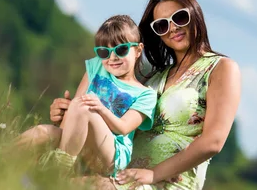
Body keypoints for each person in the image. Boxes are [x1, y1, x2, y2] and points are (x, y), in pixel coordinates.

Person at [50, 0, 241, 190]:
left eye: (179, 17)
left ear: (195, 13)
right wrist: (71, 112)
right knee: (47, 145)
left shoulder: (221, 68)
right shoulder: (155, 76)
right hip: (120, 170)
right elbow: (112, 118)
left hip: (165, 188)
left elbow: (213, 141)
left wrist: (154, 174)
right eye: (161, 25)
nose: (172, 28)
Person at [17, 15, 157, 177]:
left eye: (121, 49)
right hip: (78, 142)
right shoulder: (97, 66)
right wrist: (63, 113)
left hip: (110, 155)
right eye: (104, 52)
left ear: (138, 50)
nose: (112, 57)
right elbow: (75, 111)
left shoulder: (145, 94)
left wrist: (99, 109)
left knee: (84, 106)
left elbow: (124, 127)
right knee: (43, 132)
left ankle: (57, 171)